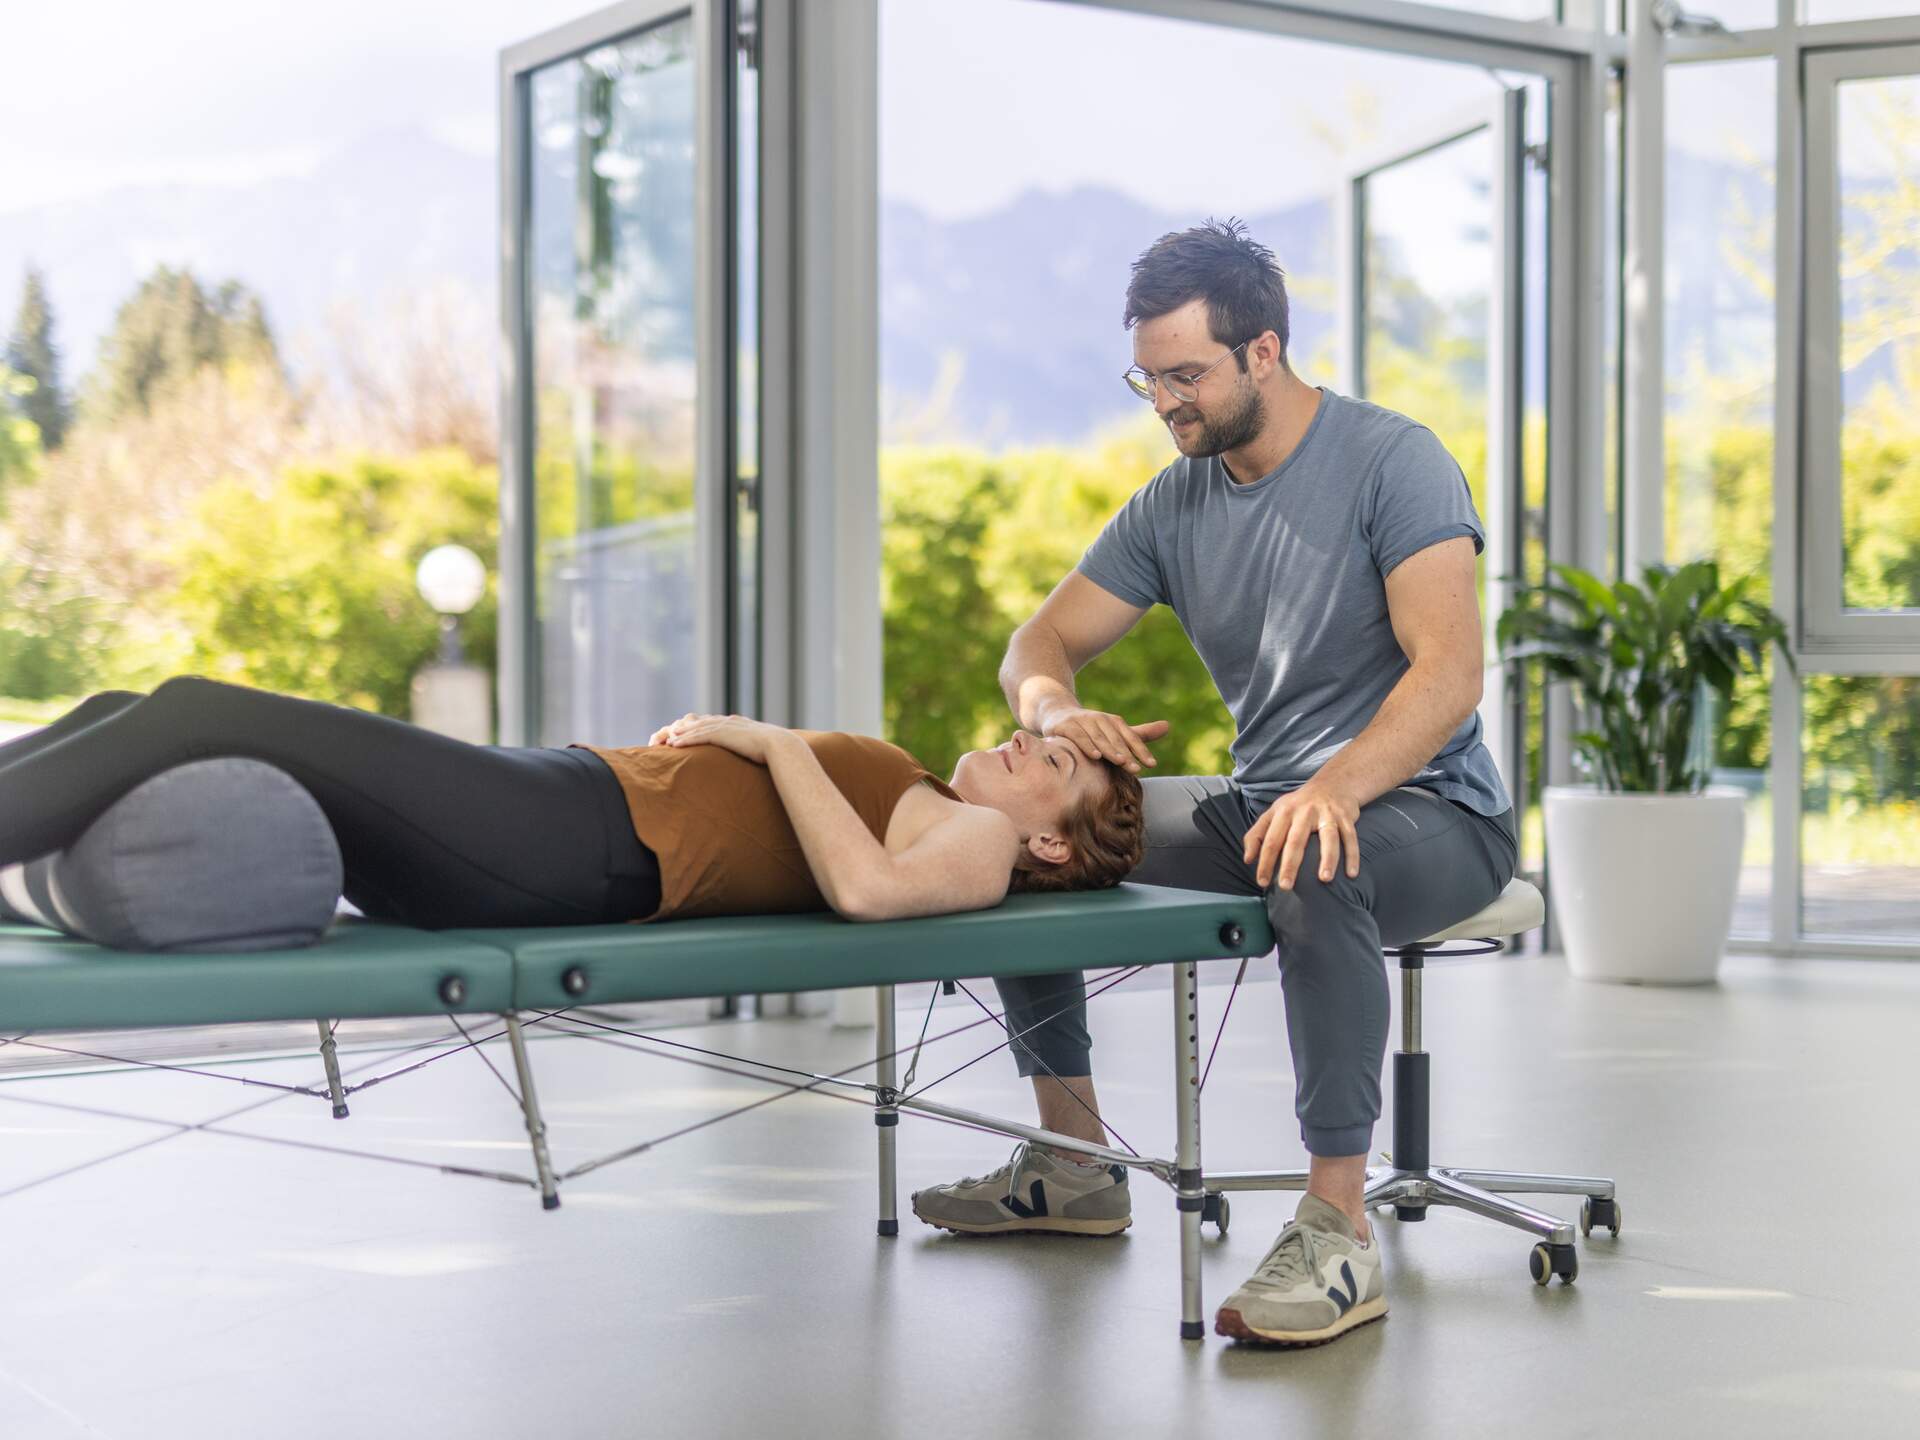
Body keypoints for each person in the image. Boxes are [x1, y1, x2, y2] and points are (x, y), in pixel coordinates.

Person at [909, 219, 1519, 1349]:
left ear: (1264, 353)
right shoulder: (1173, 500)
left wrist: (1333, 790)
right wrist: (1053, 712)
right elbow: (1034, 646)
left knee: (1313, 852)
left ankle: (1339, 1228)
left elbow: (1449, 677)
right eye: (1149, 378)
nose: (1167, 404)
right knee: (1021, 843)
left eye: (1187, 376)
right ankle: (1075, 1162)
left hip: (1436, 810)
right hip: (1267, 800)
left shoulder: (1396, 461)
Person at [0, 676, 1144, 930]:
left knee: (201, 704)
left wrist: (769, 740)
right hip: (552, 804)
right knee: (129, 701)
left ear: (1050, 837)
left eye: (1052, 764)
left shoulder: (986, 841)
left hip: (562, 843)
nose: (1023, 744)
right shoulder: (948, 793)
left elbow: (866, 889)